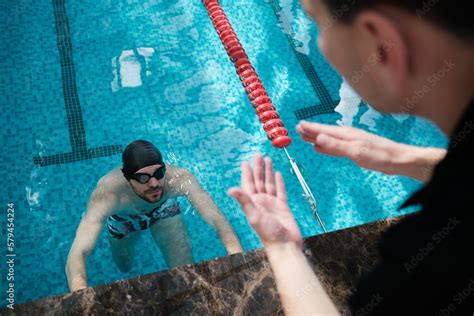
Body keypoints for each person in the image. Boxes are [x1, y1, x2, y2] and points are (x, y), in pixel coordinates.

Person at [229, 0, 473, 314]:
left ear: (382, 44)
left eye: (317, 24)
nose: (320, 44)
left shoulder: (431, 268)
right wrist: (398, 156)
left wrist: (283, 249)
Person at [66, 140, 243, 292]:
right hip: (125, 221)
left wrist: (237, 257)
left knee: (185, 272)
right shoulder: (109, 195)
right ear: (128, 178)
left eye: (159, 173)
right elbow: (79, 251)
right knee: (124, 265)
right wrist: (80, 289)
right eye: (143, 178)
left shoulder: (179, 179)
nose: (154, 183)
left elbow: (216, 219)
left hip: (164, 211)